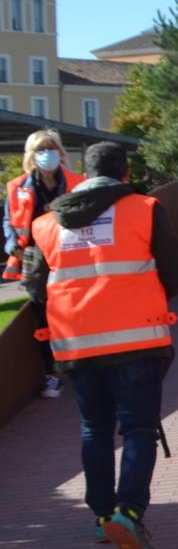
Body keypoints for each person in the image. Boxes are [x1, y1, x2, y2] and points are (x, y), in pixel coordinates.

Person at [24, 141, 178, 549]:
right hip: (137, 340)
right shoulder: (144, 208)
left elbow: (34, 286)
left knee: (94, 430)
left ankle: (102, 515)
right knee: (138, 430)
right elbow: (176, 271)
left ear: (83, 172)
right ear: (126, 171)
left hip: (76, 345)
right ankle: (128, 512)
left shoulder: (47, 223)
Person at [5, 128, 83, 398]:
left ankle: (79, 364)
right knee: (43, 315)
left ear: (60, 152)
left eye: (51, 148)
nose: (47, 154)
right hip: (35, 258)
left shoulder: (76, 182)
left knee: (76, 310)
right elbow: (9, 222)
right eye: (41, 149)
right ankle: (52, 373)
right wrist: (11, 244)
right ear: (31, 155)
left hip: (71, 254)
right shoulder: (18, 186)